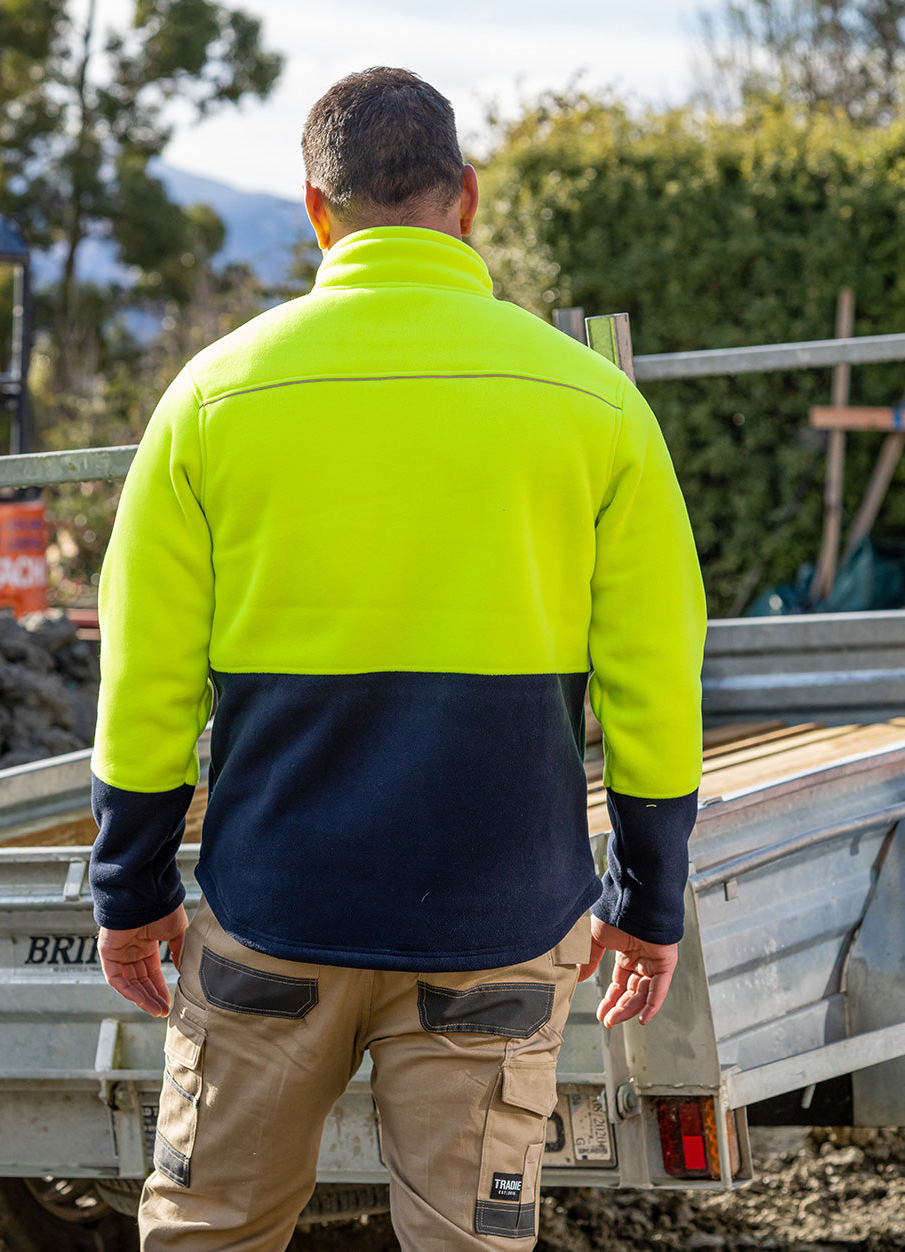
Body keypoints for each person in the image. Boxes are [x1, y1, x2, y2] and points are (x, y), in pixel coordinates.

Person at [90, 66, 706, 1251]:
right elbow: (653, 678)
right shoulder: (594, 406)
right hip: (501, 922)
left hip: (275, 915)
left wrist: (133, 891)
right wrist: (648, 898)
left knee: (207, 1232)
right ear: (465, 198)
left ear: (316, 212)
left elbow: (145, 673)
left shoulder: (213, 396)